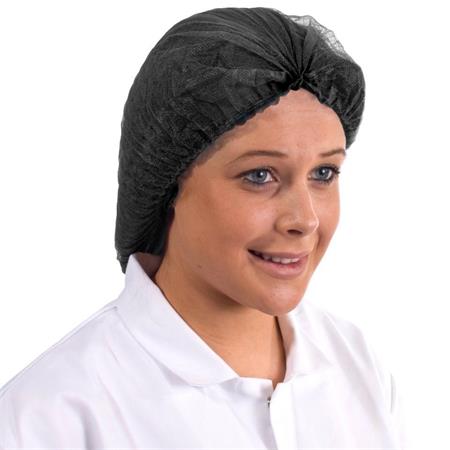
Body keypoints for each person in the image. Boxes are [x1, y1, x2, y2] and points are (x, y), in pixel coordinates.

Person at [0, 6, 409, 449]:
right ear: (166, 183)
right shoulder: (50, 419)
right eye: (260, 175)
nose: (305, 219)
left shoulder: (357, 367)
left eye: (324, 173)